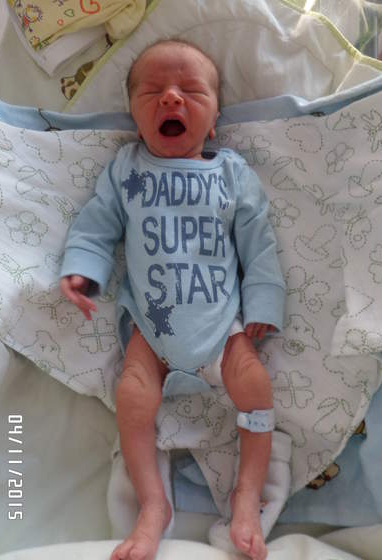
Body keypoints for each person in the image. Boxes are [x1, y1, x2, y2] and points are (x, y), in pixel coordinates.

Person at [60, 39, 285, 560]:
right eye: (153, 91)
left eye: (191, 91)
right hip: (152, 328)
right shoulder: (126, 169)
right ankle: (153, 505)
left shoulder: (231, 173)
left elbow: (259, 246)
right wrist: (83, 270)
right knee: (132, 397)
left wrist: (263, 307)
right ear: (135, 118)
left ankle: (246, 495)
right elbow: (95, 227)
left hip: (222, 327)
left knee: (255, 386)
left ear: (215, 121)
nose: (171, 98)